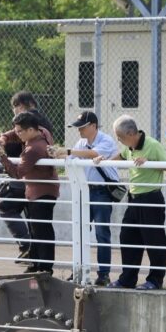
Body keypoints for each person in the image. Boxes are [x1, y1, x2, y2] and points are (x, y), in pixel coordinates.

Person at [102, 115, 166, 290]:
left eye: (120, 137)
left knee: (154, 240)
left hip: (150, 198)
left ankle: (155, 280)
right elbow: (122, 157)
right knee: (128, 236)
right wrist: (104, 161)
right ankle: (127, 279)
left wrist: (149, 163)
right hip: (134, 198)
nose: (119, 141)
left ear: (131, 133)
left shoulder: (152, 145)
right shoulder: (130, 147)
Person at [60, 110, 121, 286]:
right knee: (80, 231)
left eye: (82, 127)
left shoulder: (106, 140)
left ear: (93, 126)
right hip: (85, 191)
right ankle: (78, 270)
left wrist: (69, 151)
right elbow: (73, 155)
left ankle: (103, 274)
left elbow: (93, 154)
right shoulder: (81, 142)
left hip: (101, 192)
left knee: (102, 233)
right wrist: (58, 153)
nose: (79, 130)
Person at [0, 111, 60, 274]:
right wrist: (4, 137)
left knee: (41, 229)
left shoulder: (32, 149)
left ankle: (44, 267)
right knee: (36, 228)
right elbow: (15, 134)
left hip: (41, 191)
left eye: (19, 132)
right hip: (43, 189)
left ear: (31, 130)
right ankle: (37, 264)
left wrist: (1, 155)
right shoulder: (43, 132)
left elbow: (17, 173)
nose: (17, 135)